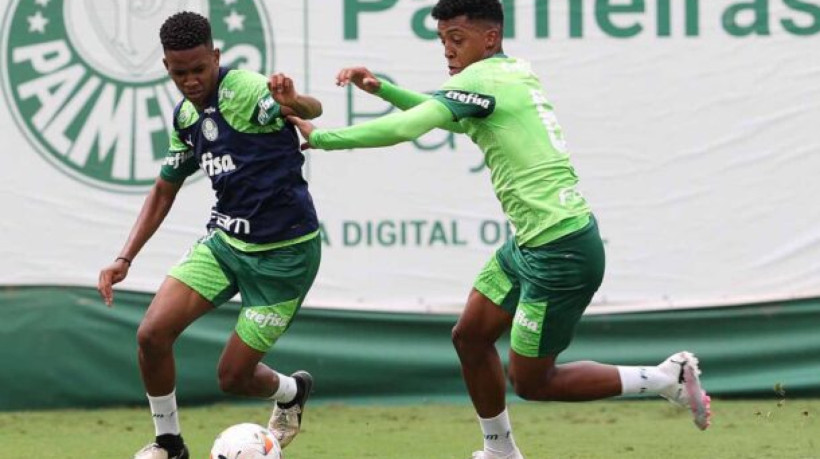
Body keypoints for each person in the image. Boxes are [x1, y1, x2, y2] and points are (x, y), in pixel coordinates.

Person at [285, 1, 711, 458]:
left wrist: (324, 137)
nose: (447, 51)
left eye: (457, 39)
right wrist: (384, 89)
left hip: (561, 250)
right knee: (469, 336)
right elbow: (447, 111)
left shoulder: (481, 80)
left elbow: (413, 126)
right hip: (533, 243)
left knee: (533, 381)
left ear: (489, 38)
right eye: (442, 40)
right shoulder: (509, 72)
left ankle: (667, 379)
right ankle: (499, 451)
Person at [97, 11, 321, 459]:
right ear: (165, 67)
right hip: (225, 245)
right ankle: (169, 442)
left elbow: (309, 110)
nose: (191, 80)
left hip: (285, 257)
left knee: (233, 378)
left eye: (200, 69)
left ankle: (291, 391)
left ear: (215, 56)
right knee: (151, 336)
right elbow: (164, 189)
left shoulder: (246, 90)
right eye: (180, 73)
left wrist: (295, 100)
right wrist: (124, 258)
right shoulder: (185, 116)